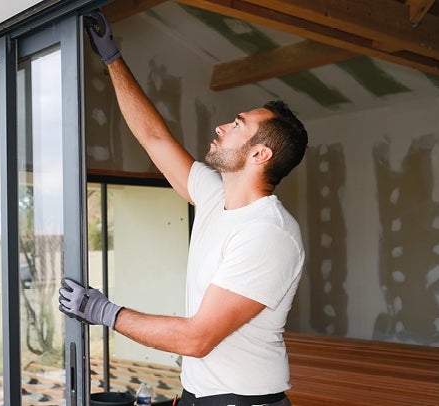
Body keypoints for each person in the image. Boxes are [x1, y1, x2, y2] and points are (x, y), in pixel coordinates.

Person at [58, 10, 309, 406]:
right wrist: (111, 58)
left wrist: (104, 311)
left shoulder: (268, 232)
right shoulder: (215, 196)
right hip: (199, 395)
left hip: (241, 401)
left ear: (260, 153)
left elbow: (197, 338)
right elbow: (155, 138)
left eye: (238, 125)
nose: (221, 127)